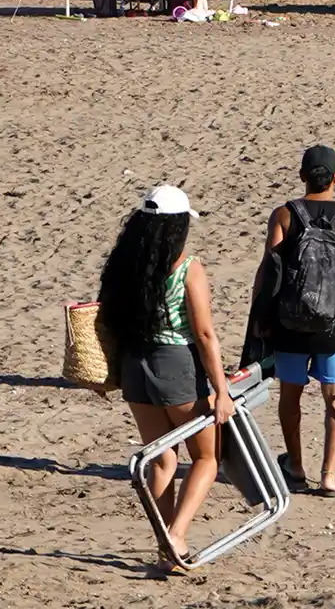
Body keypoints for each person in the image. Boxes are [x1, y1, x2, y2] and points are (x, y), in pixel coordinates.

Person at [97, 185, 233, 568]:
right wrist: (221, 390)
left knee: (161, 461)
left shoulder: (126, 266)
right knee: (206, 456)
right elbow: (204, 334)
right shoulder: (187, 268)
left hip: (134, 365)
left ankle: (165, 552)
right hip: (175, 366)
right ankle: (177, 535)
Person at [251, 146, 335, 499]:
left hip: (290, 323)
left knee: (290, 396)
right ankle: (329, 476)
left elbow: (269, 271)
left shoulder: (284, 215)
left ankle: (295, 466)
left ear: (302, 176)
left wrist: (260, 319)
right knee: (334, 396)